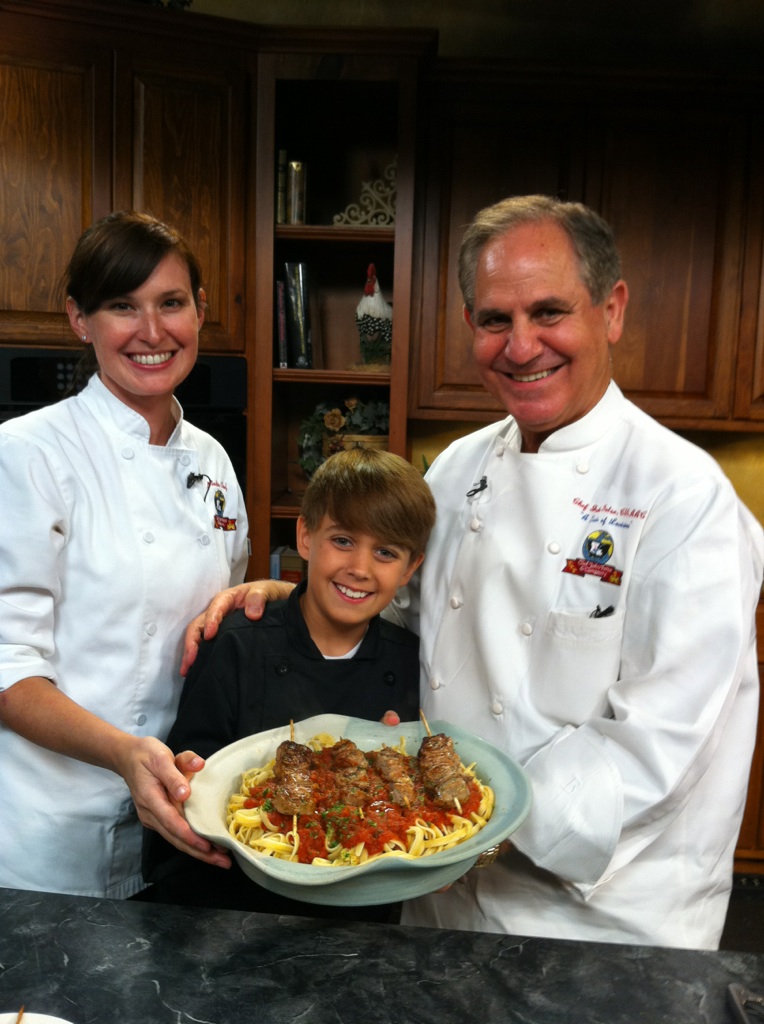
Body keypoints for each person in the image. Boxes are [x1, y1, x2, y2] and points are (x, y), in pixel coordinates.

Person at [181, 195, 763, 950]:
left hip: (606, 920)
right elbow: (398, 619)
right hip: (434, 888)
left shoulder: (685, 498)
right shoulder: (457, 470)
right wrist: (295, 598)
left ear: (612, 311)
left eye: (549, 312)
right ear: (470, 328)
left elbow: (658, 748)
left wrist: (468, 822)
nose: (521, 346)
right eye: (495, 320)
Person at [0, 211, 249, 900]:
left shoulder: (213, 460)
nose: (151, 332)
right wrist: (121, 753)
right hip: (45, 833)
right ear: (80, 319)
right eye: (122, 307)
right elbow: (8, 667)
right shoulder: (28, 453)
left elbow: (220, 622)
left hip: (178, 818)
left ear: (200, 311)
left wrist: (280, 595)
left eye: (171, 303)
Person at [142, 446, 435, 921]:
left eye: (385, 552)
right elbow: (189, 797)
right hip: (233, 913)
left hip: (367, 922)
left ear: (409, 569)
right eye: (342, 540)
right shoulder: (235, 646)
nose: (360, 568)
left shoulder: (412, 661)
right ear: (304, 536)